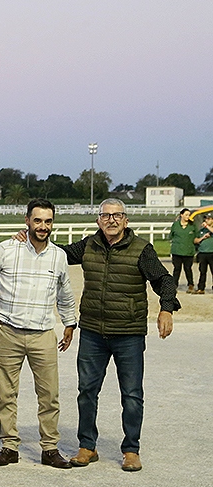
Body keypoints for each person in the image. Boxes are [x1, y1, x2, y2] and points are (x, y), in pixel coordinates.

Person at [61, 199, 179, 472]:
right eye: (106, 215)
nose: (111, 220)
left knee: (132, 394)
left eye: (117, 215)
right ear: (98, 220)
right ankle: (87, 446)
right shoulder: (88, 245)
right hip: (92, 332)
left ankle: (131, 450)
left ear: (126, 220)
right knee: (87, 391)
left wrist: (166, 308)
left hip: (129, 333)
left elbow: (164, 280)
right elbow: (58, 253)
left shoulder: (141, 249)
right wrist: (30, 237)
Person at [0, 199, 76, 469]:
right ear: (27, 220)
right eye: (38, 220)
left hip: (43, 334)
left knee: (49, 394)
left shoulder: (58, 256)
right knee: (6, 394)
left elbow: (65, 293)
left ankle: (50, 448)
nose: (43, 226)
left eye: (48, 221)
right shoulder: (7, 249)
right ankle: (9, 447)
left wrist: (69, 323)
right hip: (8, 332)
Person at [169, 208, 196, 293]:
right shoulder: (175, 225)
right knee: (177, 269)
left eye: (189, 215)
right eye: (186, 215)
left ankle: (190, 285)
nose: (188, 216)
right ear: (181, 215)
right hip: (177, 251)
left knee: (188, 269)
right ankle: (174, 285)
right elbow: (171, 236)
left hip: (188, 251)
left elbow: (196, 237)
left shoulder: (192, 226)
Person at [192, 213, 213, 294]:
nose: (206, 220)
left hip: (212, 252)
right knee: (202, 271)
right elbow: (195, 240)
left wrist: (207, 226)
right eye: (205, 219)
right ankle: (201, 288)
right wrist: (202, 238)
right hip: (203, 253)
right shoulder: (202, 230)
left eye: (208, 219)